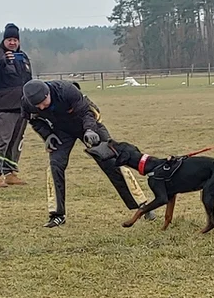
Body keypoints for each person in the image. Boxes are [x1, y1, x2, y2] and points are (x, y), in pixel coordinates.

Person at [20, 79, 153, 228]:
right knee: (55, 165)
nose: (42, 107)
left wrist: (90, 130)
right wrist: (47, 135)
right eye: (37, 105)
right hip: (61, 131)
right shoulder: (27, 103)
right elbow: (34, 120)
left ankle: (143, 206)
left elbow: (87, 112)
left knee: (112, 161)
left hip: (87, 124)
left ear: (48, 92)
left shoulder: (67, 91)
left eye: (44, 102)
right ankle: (57, 215)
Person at [0, 23, 32, 188]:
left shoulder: (23, 57)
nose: (13, 43)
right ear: (4, 40)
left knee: (15, 143)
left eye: (15, 40)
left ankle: (10, 172)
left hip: (21, 107)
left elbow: (28, 81)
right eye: (10, 39)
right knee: (0, 142)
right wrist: (2, 62)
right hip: (3, 107)